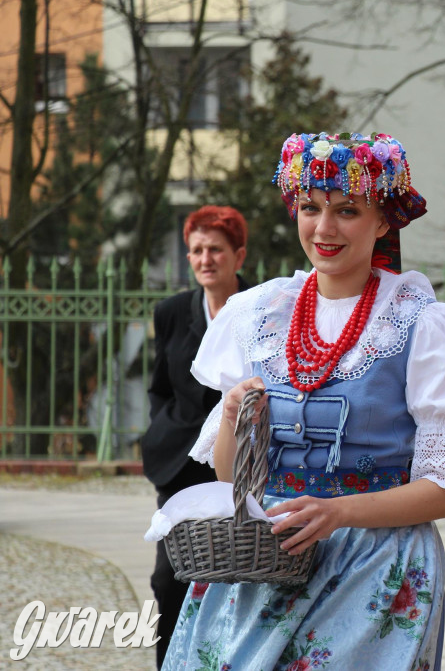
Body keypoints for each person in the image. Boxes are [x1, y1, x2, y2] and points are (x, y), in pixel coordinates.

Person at [160, 132, 445, 670]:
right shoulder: (259, 314)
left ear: (384, 220)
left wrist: (339, 512)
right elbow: (232, 480)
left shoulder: (420, 325)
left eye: (347, 211)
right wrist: (231, 417)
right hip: (266, 561)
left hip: (373, 568)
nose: (324, 228)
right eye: (309, 208)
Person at [141, 205, 249, 668]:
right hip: (179, 467)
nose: (206, 259)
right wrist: (161, 436)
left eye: (216, 250)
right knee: (170, 579)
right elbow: (159, 387)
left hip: (241, 465)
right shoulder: (170, 313)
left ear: (238, 256)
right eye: (197, 250)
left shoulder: (258, 309)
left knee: (237, 575)